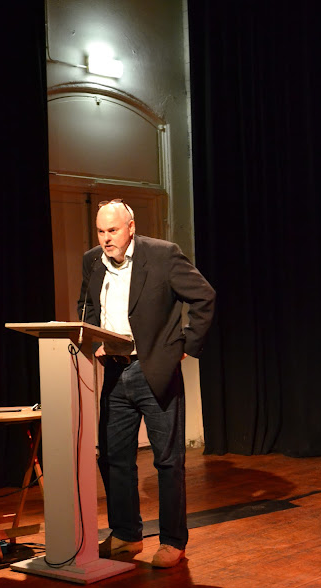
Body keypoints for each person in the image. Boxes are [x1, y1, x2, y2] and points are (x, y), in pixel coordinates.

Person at [78, 199, 215, 568]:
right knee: (113, 456)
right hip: (114, 371)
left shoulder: (162, 255)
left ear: (131, 227)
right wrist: (93, 336)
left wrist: (185, 346)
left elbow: (204, 296)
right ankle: (126, 534)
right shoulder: (92, 260)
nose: (106, 238)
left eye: (113, 230)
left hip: (154, 369)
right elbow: (85, 306)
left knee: (168, 460)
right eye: (101, 231)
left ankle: (172, 541)